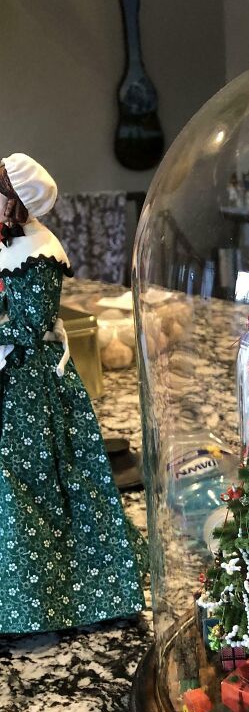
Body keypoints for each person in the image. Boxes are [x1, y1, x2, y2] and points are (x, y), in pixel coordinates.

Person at [0, 153, 146, 633]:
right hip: (13, 371)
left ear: (16, 203)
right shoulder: (10, 245)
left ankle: (49, 593)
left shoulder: (39, 253)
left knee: (33, 478)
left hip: (28, 381)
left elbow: (30, 325)